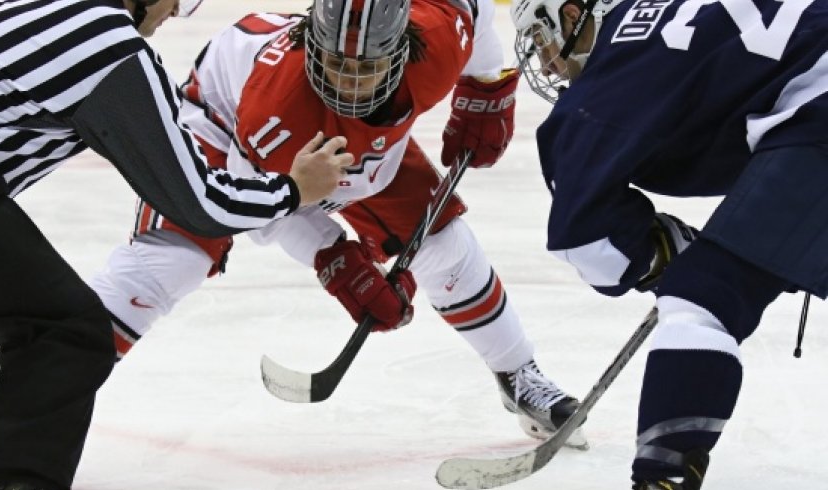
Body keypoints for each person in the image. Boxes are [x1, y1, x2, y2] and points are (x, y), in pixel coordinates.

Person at [89, 0, 589, 450]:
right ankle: (51, 380)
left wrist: (486, 88)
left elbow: (473, 12)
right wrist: (335, 258)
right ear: (310, 44)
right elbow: (261, 206)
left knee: (444, 244)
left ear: (401, 52)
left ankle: (519, 374)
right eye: (334, 63)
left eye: (366, 68)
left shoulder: (433, 43)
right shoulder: (277, 110)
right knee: (170, 262)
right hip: (226, 127)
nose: (348, 82)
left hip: (341, 144)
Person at [0, 0, 353, 488]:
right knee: (68, 329)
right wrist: (294, 190)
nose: (176, 11)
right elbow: (197, 204)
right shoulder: (107, 45)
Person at [510, 0, 828, 488]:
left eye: (540, 39)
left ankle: (661, 478)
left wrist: (665, 253)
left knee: (701, 299)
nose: (548, 62)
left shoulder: (610, 76)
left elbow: (587, 241)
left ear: (573, 17)